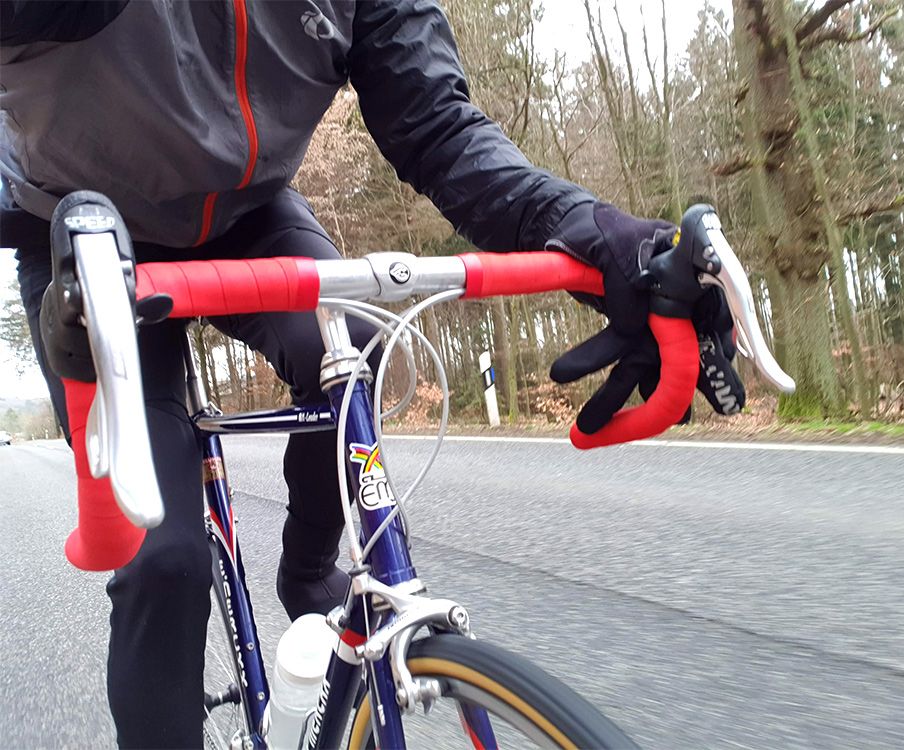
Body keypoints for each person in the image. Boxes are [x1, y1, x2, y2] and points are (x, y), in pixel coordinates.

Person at [0, 1, 744, 746]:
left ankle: (308, 566)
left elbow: (438, 127)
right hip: (81, 230)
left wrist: (600, 239)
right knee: (162, 562)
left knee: (357, 336)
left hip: (246, 215)